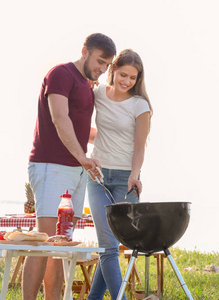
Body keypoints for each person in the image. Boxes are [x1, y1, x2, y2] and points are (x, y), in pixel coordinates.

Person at [23, 33, 116, 300]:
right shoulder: (61, 75)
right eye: (100, 61)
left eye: (107, 65)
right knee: (44, 241)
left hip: (76, 170)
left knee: (61, 244)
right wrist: (83, 157)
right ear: (85, 51)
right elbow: (59, 118)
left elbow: (81, 130)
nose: (102, 69)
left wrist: (121, 138)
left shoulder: (87, 85)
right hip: (51, 165)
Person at [87, 49, 152, 300]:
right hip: (98, 178)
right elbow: (82, 120)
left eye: (133, 78)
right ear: (112, 70)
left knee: (110, 248)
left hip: (126, 181)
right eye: (123, 74)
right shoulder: (97, 93)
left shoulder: (140, 105)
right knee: (108, 247)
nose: (126, 81)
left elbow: (139, 146)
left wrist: (134, 176)